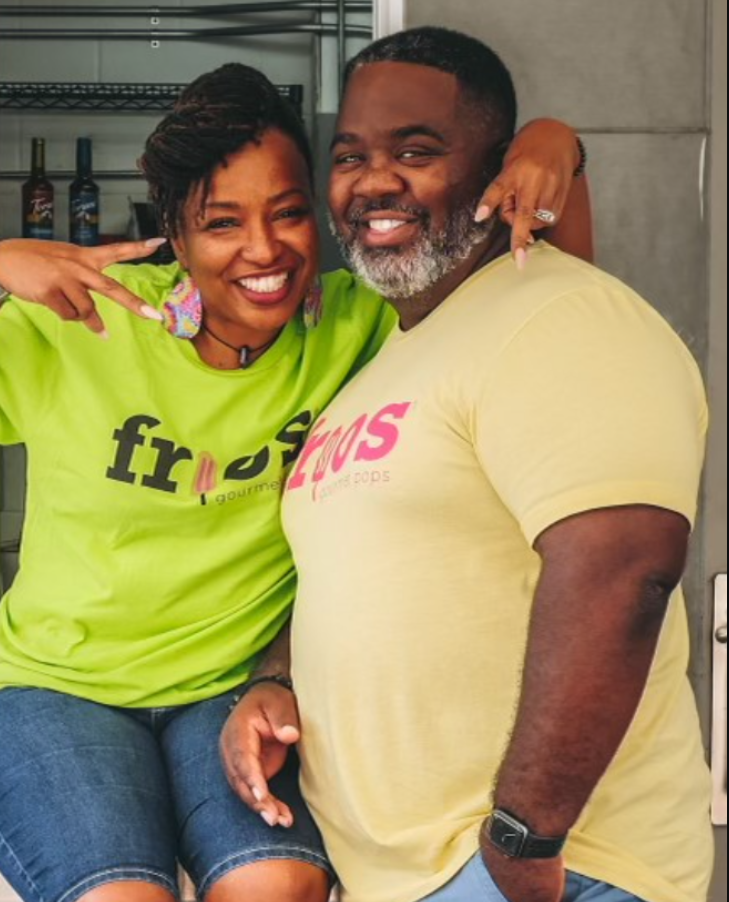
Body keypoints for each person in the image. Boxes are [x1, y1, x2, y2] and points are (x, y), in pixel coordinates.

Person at [0, 62, 588, 902]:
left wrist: (555, 147)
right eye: (222, 223)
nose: (262, 250)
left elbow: (540, 301)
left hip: (237, 691)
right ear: (175, 231)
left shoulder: (352, 324)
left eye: (287, 214)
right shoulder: (91, 316)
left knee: (277, 886)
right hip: (59, 694)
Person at [225, 26, 712, 902]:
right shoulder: (393, 359)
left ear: (498, 172)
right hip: (409, 878)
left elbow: (621, 573)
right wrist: (275, 680)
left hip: (547, 870)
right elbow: (356, 574)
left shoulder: (561, 317)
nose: (374, 181)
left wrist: (524, 838)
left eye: (416, 151)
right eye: (350, 156)